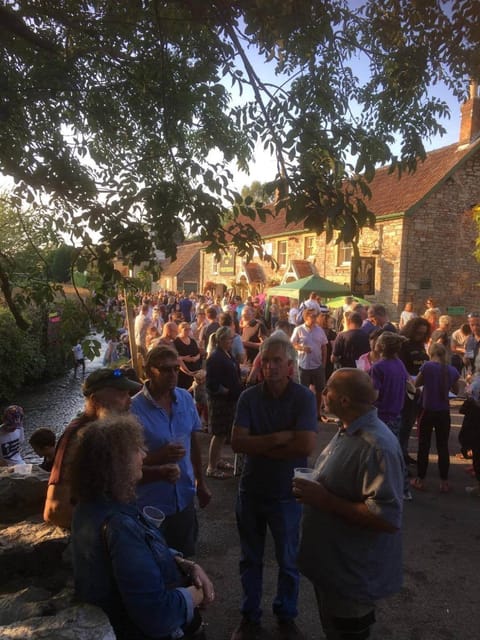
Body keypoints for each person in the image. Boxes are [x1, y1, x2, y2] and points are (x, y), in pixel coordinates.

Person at [70, 415, 214, 640]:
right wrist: (196, 594)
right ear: (116, 463)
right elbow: (157, 615)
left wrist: (184, 563)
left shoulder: (93, 505)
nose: (144, 455)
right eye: (137, 449)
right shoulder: (120, 525)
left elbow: (143, 553)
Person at [294, 369, 404, 640]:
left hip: (352, 578)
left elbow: (386, 518)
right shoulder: (349, 430)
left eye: (328, 389)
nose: (323, 394)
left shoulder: (377, 445)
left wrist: (324, 500)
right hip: (334, 569)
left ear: (343, 400)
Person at [230, 334, 317, 640]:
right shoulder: (249, 397)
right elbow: (237, 442)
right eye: (265, 360)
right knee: (250, 558)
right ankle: (249, 616)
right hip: (252, 490)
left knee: (288, 560)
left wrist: (259, 446)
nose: (270, 367)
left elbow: (305, 444)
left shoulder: (304, 398)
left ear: (291, 365)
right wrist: (279, 438)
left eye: (277, 361)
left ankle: (286, 615)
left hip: (286, 492)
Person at [131, 345, 211, 557]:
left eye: (176, 368)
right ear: (149, 372)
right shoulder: (132, 409)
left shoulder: (185, 398)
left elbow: (193, 443)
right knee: (155, 569)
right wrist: (160, 456)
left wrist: (201, 484)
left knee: (186, 564)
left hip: (184, 500)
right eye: (165, 369)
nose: (173, 374)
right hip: (150, 506)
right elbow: (125, 465)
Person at [43, 367, 142, 528]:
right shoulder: (78, 437)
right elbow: (55, 511)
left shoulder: (109, 432)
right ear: (96, 401)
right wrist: (109, 533)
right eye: (122, 395)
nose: (130, 401)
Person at [410, 343, 459, 493]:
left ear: (430, 353)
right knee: (442, 446)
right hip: (443, 412)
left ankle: (420, 479)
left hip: (427, 410)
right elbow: (456, 390)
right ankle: (444, 482)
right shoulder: (452, 370)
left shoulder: (427, 367)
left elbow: (416, 384)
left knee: (423, 445)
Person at [206, 326, 243, 478]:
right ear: (221, 340)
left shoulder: (226, 354)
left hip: (229, 400)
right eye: (229, 339)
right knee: (219, 434)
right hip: (220, 402)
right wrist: (225, 391)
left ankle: (218, 460)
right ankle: (211, 467)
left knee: (223, 433)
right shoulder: (215, 357)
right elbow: (211, 383)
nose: (232, 341)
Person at [398, 317, 431, 465]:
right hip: (407, 389)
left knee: (409, 423)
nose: (420, 335)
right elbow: (401, 367)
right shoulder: (404, 344)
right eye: (418, 332)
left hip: (419, 389)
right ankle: (400, 456)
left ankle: (403, 453)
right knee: (404, 424)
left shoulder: (421, 345)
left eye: (423, 333)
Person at [291, 307, 328, 417]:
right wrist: (302, 348)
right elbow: (292, 344)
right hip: (304, 365)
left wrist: (324, 363)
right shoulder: (298, 330)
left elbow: (324, 346)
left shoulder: (319, 330)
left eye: (316, 316)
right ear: (306, 317)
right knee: (303, 390)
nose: (315, 318)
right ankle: (304, 413)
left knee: (319, 390)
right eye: (312, 316)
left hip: (317, 365)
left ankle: (317, 413)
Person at [174, 322, 202, 389]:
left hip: (195, 369)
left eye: (189, 329)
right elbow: (176, 357)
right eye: (185, 329)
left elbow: (198, 353)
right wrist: (184, 358)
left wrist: (195, 358)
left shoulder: (192, 340)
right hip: (184, 372)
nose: (188, 331)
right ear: (180, 330)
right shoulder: (176, 342)